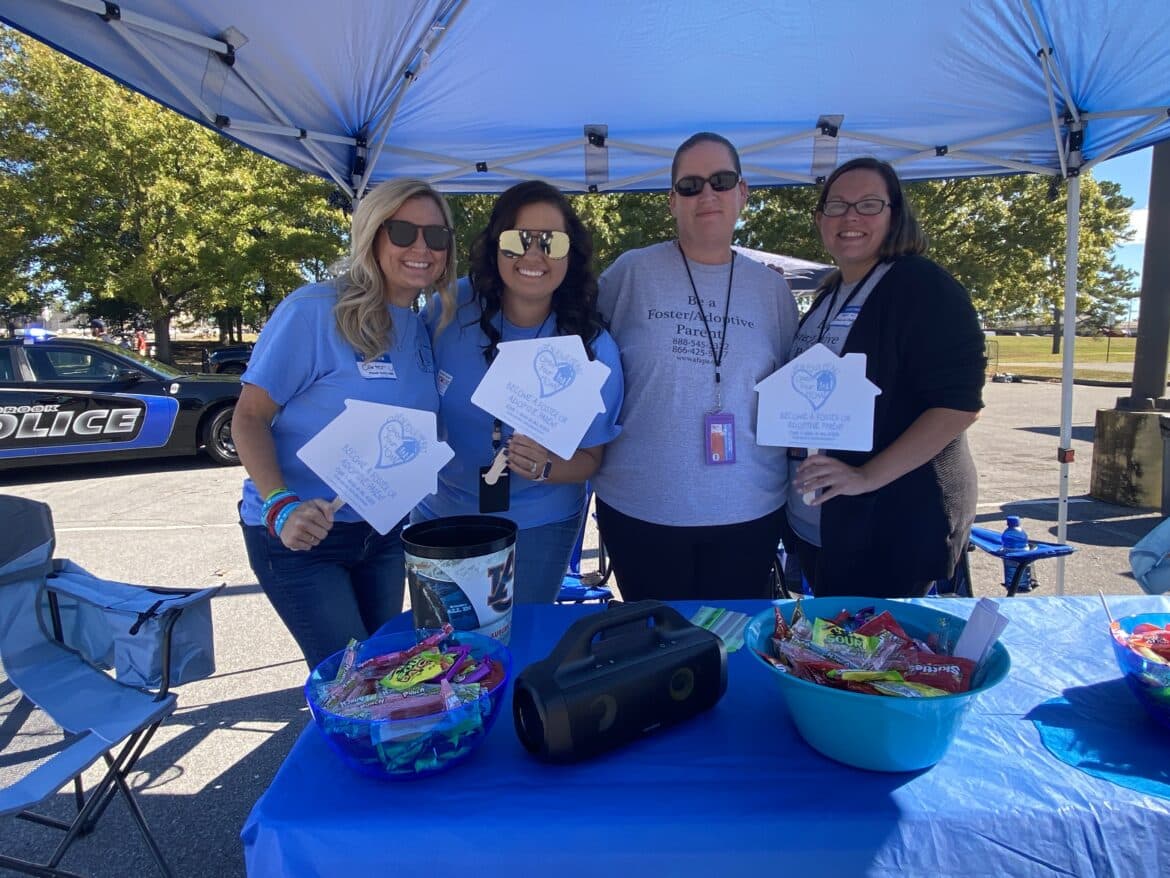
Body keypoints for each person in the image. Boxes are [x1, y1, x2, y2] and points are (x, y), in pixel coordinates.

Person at [233, 179, 457, 668]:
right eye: (403, 232)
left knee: (382, 671)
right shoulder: (314, 311)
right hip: (303, 536)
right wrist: (280, 505)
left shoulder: (421, 325)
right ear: (372, 235)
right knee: (350, 680)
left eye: (437, 236)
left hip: (381, 533)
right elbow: (248, 418)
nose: (422, 248)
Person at [592, 132, 800, 601]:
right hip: (640, 510)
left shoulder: (772, 292)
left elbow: (791, 397)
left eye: (721, 181)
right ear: (672, 201)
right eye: (690, 186)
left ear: (743, 192)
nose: (707, 194)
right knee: (657, 639)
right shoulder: (630, 274)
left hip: (749, 511)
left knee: (731, 639)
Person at [782, 157, 985, 598]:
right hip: (823, 527)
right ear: (819, 218)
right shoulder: (829, 293)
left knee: (873, 641)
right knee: (833, 636)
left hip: (890, 527)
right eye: (837, 205)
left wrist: (866, 476)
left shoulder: (921, 285)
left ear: (895, 215)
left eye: (869, 204)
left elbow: (957, 405)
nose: (850, 217)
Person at [415, 180, 624, 604]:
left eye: (551, 242)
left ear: (570, 253)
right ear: (495, 244)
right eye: (518, 239)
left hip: (540, 524)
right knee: (444, 641)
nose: (533, 255)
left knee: (520, 636)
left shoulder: (593, 347)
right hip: (443, 516)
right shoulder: (449, 308)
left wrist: (546, 466)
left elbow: (592, 459)